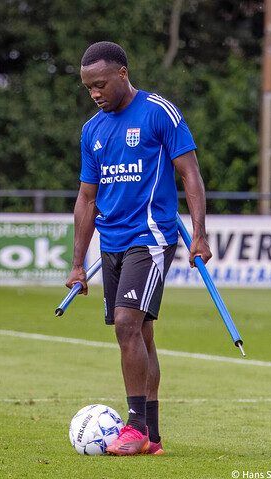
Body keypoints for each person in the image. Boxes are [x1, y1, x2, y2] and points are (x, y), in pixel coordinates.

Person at [66, 41, 212, 456]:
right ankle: (154, 437)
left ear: (122, 74)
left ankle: (134, 428)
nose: (95, 93)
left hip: (151, 237)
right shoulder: (92, 130)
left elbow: (190, 173)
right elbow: (86, 199)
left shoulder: (158, 112)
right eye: (88, 87)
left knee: (127, 325)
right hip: (110, 242)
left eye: (100, 84)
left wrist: (199, 234)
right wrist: (78, 263)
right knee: (140, 334)